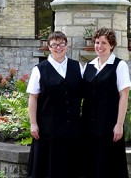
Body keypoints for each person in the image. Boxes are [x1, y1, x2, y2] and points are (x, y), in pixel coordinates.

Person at [27, 31, 84, 178]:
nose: (58, 47)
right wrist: (33, 124)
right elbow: (33, 98)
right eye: (54, 45)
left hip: (72, 128)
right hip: (48, 128)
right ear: (49, 47)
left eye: (61, 44)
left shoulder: (77, 67)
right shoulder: (39, 69)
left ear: (67, 45)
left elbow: (87, 93)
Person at [82, 27, 131, 178]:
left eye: (104, 42)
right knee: (90, 165)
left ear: (112, 45)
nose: (100, 46)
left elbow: (124, 96)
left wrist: (119, 124)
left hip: (109, 125)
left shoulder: (119, 65)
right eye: (97, 42)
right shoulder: (88, 66)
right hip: (88, 125)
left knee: (109, 166)